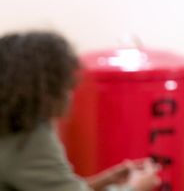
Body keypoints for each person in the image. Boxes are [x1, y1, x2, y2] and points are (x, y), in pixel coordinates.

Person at [0, 30, 160, 191]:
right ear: (48, 87)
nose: (71, 91)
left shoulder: (9, 126)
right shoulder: (30, 139)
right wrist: (135, 187)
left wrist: (105, 180)